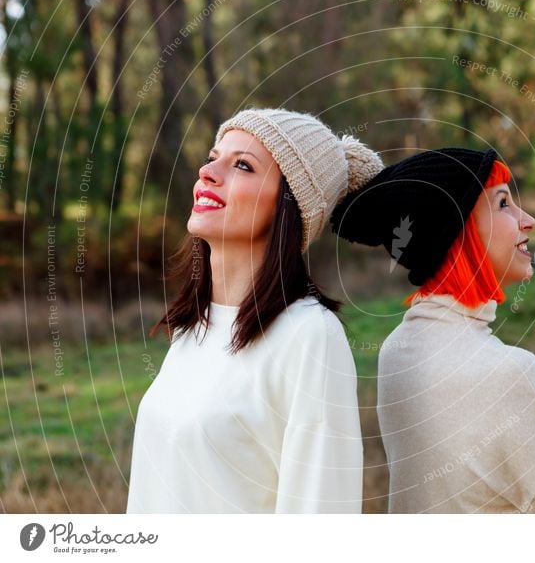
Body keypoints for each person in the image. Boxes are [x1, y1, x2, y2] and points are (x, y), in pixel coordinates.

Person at [127, 108, 383, 513]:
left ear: (289, 207)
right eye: (213, 157)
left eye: (243, 165)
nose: (207, 172)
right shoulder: (192, 329)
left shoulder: (309, 336)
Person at [331, 148, 535, 513]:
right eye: (503, 204)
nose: (529, 220)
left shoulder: (397, 351)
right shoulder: (511, 376)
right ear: (456, 230)